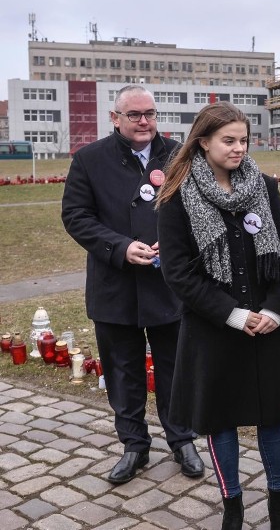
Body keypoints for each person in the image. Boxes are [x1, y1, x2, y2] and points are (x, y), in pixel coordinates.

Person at [156, 102, 280, 530]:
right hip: (214, 330)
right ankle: (232, 505)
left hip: (268, 327)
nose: (239, 148)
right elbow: (178, 273)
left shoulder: (264, 185)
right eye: (229, 140)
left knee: (272, 416)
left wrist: (275, 309)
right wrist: (234, 315)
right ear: (203, 142)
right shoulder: (177, 195)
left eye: (243, 140)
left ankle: (278, 502)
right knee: (220, 421)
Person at [61, 84, 203, 485]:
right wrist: (121, 248)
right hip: (114, 285)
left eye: (150, 114)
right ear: (115, 118)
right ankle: (134, 445)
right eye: (135, 114)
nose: (144, 121)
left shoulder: (179, 155)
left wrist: (175, 246)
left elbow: (201, 209)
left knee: (175, 368)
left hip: (169, 285)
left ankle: (182, 439)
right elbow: (75, 216)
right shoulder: (89, 159)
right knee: (123, 370)